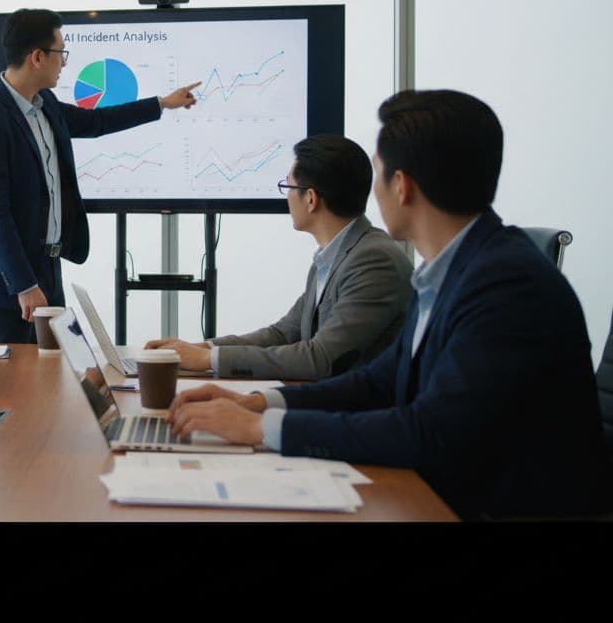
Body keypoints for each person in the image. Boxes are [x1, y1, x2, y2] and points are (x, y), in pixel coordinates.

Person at [167, 90, 608, 519]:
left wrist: (260, 430)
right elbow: (378, 381)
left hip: (501, 507)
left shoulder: (506, 284)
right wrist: (262, 404)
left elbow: (429, 432)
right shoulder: (454, 268)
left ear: (402, 186)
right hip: (455, 490)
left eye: (377, 173)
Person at [0, 8, 200, 343]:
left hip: (48, 270)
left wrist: (161, 103)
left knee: (54, 379)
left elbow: (97, 122)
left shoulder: (45, 103)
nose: (65, 62)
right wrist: (25, 285)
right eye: (61, 53)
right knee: (7, 389)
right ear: (37, 57)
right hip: (8, 288)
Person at [145, 134, 413, 380]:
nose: (286, 197)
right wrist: (201, 347)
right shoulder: (332, 256)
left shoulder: (374, 260)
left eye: (288, 186)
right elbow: (283, 333)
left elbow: (321, 358)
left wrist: (206, 359)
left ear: (311, 198)